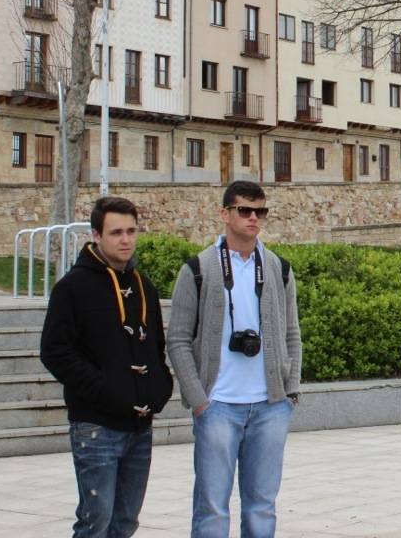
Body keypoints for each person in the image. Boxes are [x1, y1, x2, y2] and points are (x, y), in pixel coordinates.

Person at [167, 181, 302, 538]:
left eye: (260, 211)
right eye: (245, 210)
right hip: (218, 406)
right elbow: (178, 339)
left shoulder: (278, 268)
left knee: (262, 507)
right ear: (224, 214)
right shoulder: (197, 269)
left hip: (270, 406)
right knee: (211, 508)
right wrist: (198, 400)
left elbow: (292, 335)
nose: (253, 218)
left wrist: (290, 393)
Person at [41, 196, 174, 538]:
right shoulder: (72, 288)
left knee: (125, 522)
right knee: (95, 521)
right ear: (96, 235)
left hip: (140, 427)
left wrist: (159, 387)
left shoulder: (144, 286)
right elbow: (55, 351)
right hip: (95, 427)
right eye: (116, 232)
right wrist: (105, 390)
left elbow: (156, 347)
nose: (125, 240)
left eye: (131, 231)